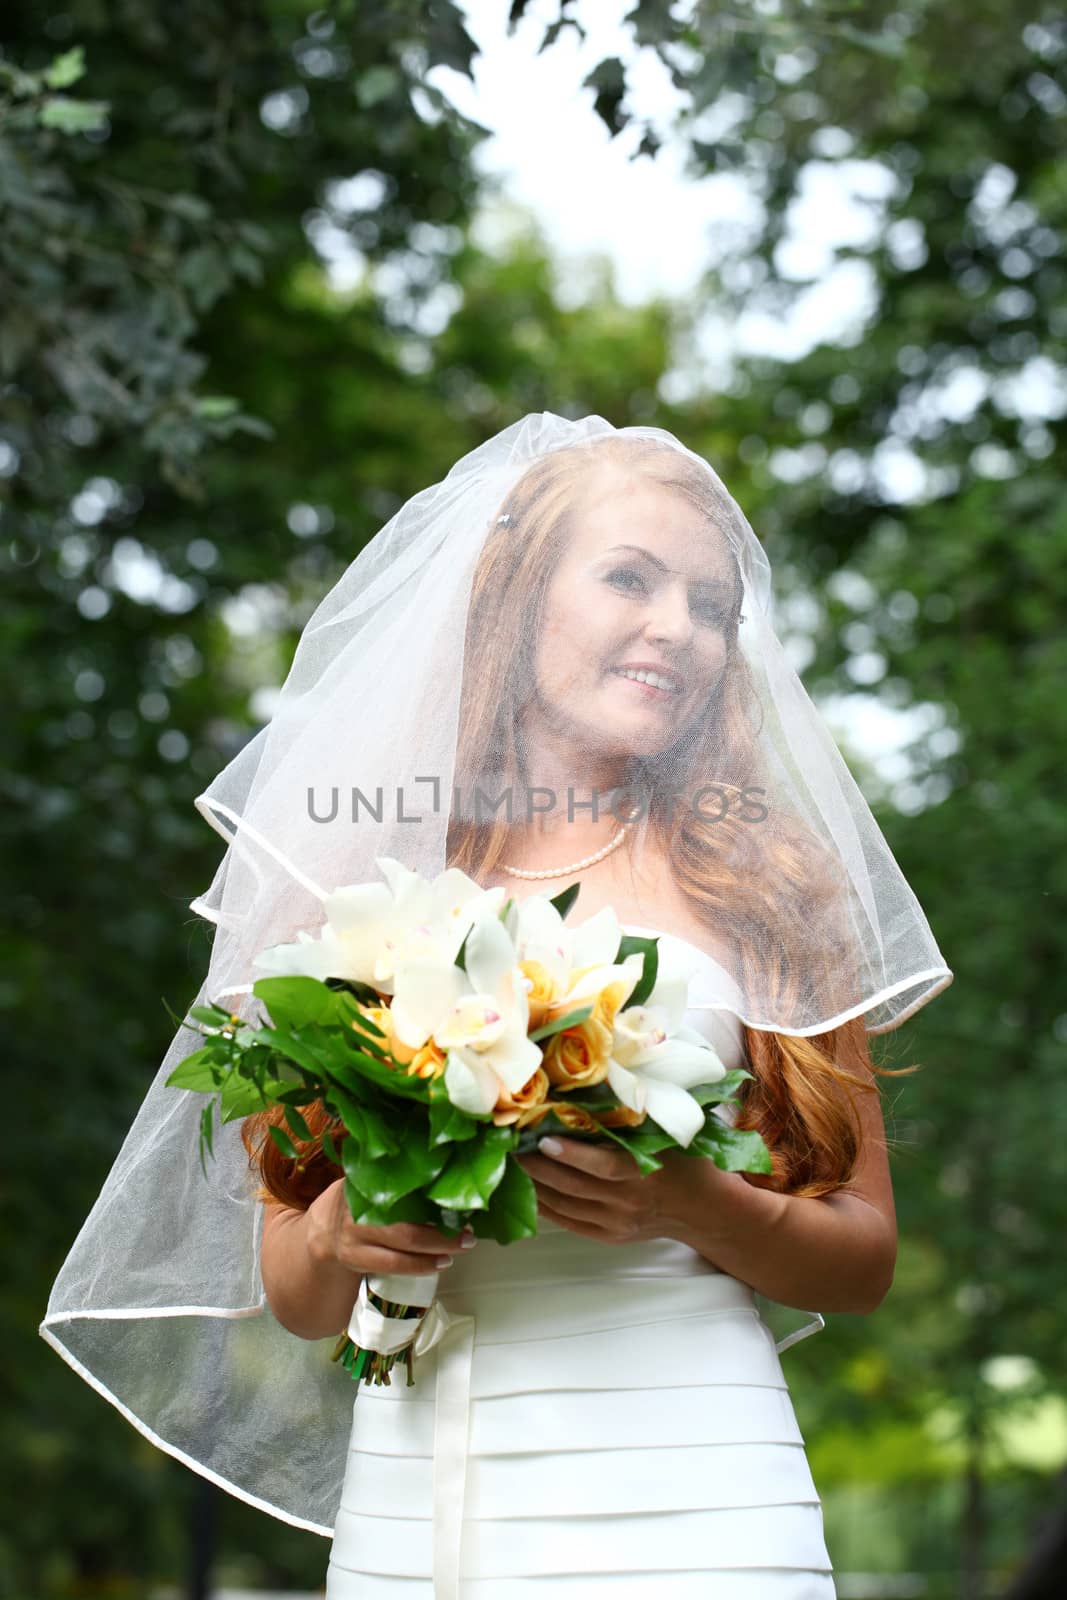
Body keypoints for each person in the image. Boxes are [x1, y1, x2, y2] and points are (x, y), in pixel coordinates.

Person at [41, 415, 953, 1599]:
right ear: (520, 596)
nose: (675, 625)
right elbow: (298, 1284)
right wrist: (336, 1234)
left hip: (698, 1478)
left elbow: (861, 1257)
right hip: (425, 1482)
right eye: (629, 577)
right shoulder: (359, 883)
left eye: (710, 604)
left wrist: (689, 1202)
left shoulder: (766, 882)